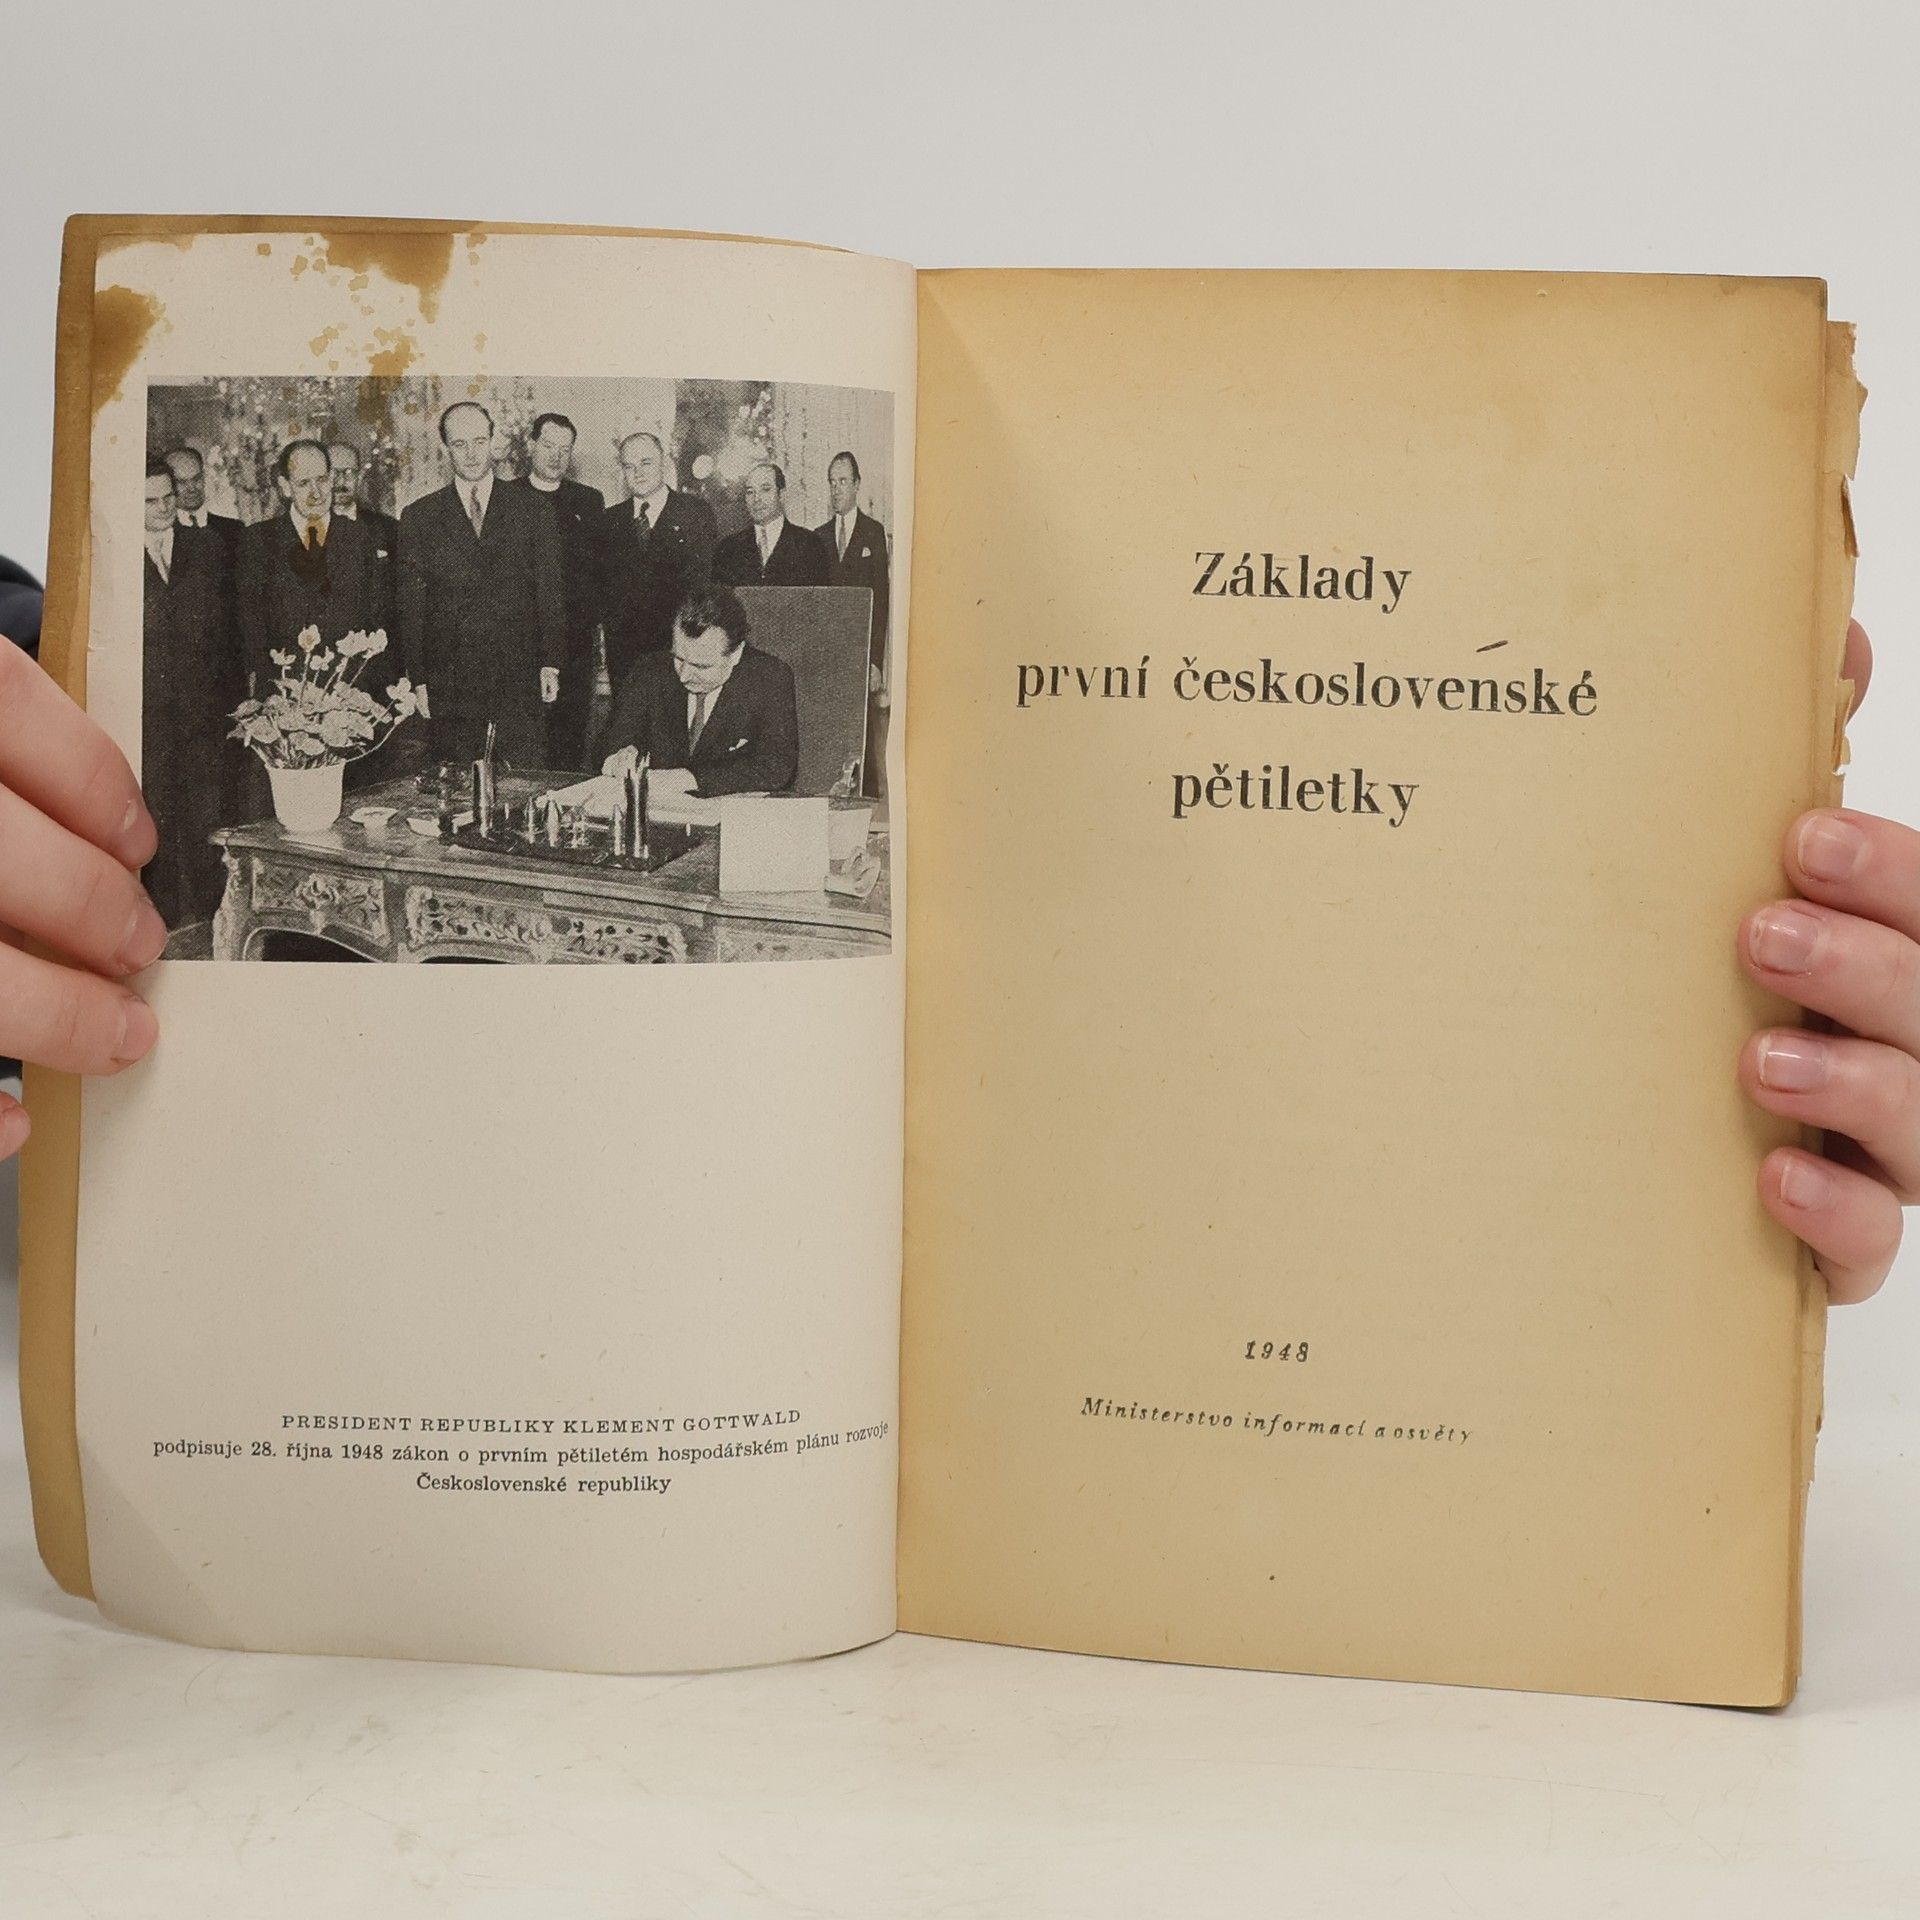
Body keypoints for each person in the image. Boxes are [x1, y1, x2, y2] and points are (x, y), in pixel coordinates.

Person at [0, 616, 1913, 1320]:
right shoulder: (649, 684)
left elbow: (790, 788)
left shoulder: (772, 686)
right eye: (676, 664)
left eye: (698, 662)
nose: (688, 676)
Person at [394, 400, 564, 767]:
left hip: (518, 677)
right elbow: (412, 608)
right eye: (459, 444)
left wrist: (550, 662)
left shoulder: (533, 509)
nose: (471, 454)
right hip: (450, 684)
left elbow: (549, 593)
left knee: (524, 780)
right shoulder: (419, 517)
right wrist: (419, 678)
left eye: (479, 441)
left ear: (492, 441)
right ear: (446, 448)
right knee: (457, 784)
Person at [139, 457, 239, 930]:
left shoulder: (207, 546)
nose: (164, 508)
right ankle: (163, 920)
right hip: (148, 714)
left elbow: (228, 630)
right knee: (155, 815)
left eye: (169, 497)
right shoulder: (114, 551)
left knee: (206, 815)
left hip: (204, 711)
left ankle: (211, 916)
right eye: (151, 501)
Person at [599, 584, 798, 798]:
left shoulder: (769, 677)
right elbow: (611, 740)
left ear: (735, 654)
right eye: (678, 658)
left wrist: (690, 779)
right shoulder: (649, 670)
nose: (684, 676)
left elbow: (776, 766)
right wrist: (617, 757)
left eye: (701, 666)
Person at [599, 430, 717, 716]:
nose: (638, 472)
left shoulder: (694, 513)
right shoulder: (609, 521)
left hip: (678, 650)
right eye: (629, 466)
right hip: (624, 656)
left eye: (646, 463)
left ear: (663, 463)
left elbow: (703, 585)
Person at [514, 412, 606, 768]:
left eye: (564, 450)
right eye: (548, 446)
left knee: (570, 736)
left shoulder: (589, 501)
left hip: (575, 642)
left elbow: (597, 573)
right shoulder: (508, 498)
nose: (556, 456)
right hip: (523, 639)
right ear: (531, 445)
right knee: (525, 739)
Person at [814, 450, 891, 796]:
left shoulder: (873, 533)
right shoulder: (817, 537)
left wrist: (876, 661)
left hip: (861, 648)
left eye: (843, 481)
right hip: (829, 651)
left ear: (857, 485)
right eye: (832, 482)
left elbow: (881, 602)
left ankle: (869, 792)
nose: (837, 489)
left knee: (864, 723)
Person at [710, 461, 829, 587]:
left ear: (781, 494)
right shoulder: (728, 548)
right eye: (750, 492)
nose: (756, 499)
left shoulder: (809, 544)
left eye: (765, 489)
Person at [326, 441, 399, 564]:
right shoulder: (303, 528)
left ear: (359, 478)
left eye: (349, 473)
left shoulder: (389, 529)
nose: (341, 481)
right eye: (333, 473)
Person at [163, 445, 242, 557]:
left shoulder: (234, 530)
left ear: (204, 477)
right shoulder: (162, 534)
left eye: (196, 479)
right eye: (181, 482)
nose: (192, 488)